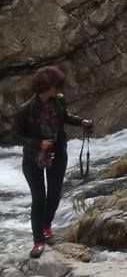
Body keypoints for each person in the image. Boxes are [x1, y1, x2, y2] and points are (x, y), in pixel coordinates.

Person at [13, 66, 93, 259]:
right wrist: (38, 143)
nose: (59, 89)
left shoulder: (59, 100)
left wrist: (81, 122)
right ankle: (38, 241)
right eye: (56, 86)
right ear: (46, 87)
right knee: (39, 198)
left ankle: (46, 226)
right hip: (33, 158)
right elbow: (17, 135)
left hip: (58, 154)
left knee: (55, 194)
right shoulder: (25, 109)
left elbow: (64, 117)